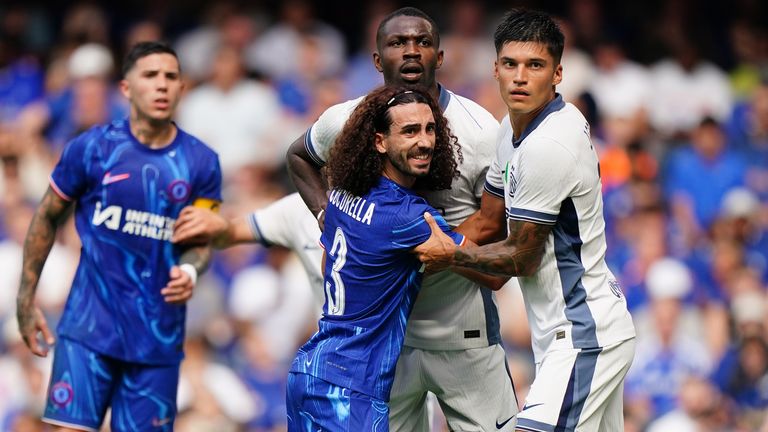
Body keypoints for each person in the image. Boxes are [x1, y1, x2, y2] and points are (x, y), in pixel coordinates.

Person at [286, 7, 518, 431]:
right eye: (397, 43)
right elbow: (298, 156)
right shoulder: (347, 121)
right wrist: (326, 218)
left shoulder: (481, 130)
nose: (411, 52)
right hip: (388, 344)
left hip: (462, 334)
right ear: (377, 60)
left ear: (439, 56)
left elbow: (493, 223)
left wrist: (423, 249)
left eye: (423, 43)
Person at [416, 9, 636, 431]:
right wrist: (417, 246)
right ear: (494, 69)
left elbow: (518, 261)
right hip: (572, 331)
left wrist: (446, 254)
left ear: (557, 74)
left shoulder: (548, 145)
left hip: (584, 335)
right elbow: (487, 222)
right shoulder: (510, 130)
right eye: (511, 64)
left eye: (535, 65)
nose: (520, 77)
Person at [15, 41, 222, 431]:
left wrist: (191, 271)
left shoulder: (202, 163)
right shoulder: (91, 149)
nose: (161, 85)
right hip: (88, 330)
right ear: (126, 88)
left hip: (156, 342)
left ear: (182, 88)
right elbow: (44, 218)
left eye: (171, 76)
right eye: (150, 75)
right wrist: (25, 299)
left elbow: (201, 242)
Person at [287, 84, 466, 431]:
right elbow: (499, 271)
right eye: (411, 131)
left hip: (308, 371)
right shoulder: (409, 216)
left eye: (431, 129)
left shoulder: (340, 195)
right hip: (351, 386)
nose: (426, 141)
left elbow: (328, 265)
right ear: (380, 142)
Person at [172, 192, 324, 303]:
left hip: (328, 333)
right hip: (329, 341)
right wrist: (220, 226)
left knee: (293, 283)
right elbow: (232, 232)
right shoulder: (298, 208)